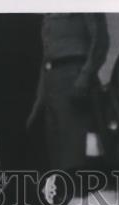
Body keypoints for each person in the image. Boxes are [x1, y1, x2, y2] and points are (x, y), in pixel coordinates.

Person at [27, 13, 109, 170]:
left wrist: (84, 77)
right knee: (55, 154)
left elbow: (100, 41)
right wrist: (38, 104)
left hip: (74, 78)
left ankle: (75, 192)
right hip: (52, 82)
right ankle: (62, 192)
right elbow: (46, 58)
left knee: (74, 152)